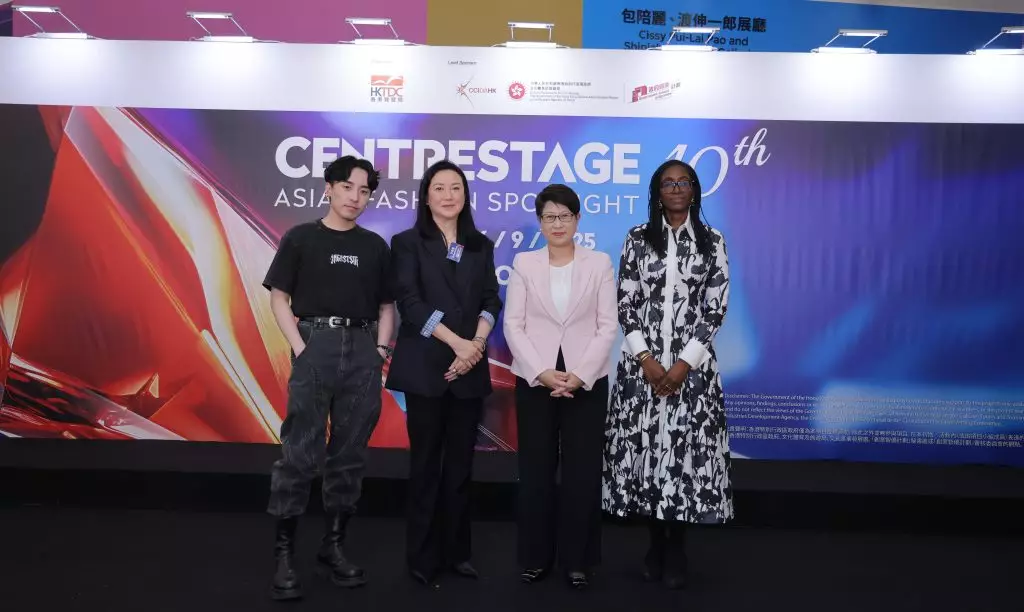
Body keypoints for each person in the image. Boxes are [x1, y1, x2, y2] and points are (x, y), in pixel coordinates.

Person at [262, 155, 395, 601]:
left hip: (363, 350)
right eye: (348, 187)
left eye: (364, 191)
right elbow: (279, 298)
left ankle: (332, 547)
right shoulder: (300, 238)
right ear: (329, 188)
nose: (356, 197)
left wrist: (380, 352)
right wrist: (301, 348)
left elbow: (386, 307)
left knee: (349, 454)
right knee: (299, 452)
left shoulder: (375, 246)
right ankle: (284, 554)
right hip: (314, 343)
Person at [602, 160, 733, 590]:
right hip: (642, 370)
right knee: (647, 457)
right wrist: (647, 360)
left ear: (694, 190)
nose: (676, 188)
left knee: (683, 459)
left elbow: (715, 308)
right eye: (667, 183)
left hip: (692, 373)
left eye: (683, 182)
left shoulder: (713, 241)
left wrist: (681, 365)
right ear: (657, 193)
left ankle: (676, 547)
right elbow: (626, 304)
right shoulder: (637, 239)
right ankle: (654, 543)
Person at [385, 160, 503, 588]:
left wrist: (477, 344)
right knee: (425, 467)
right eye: (439, 187)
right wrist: (459, 344)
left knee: (460, 468)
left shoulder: (480, 245)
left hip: (468, 369)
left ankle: (458, 553)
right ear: (426, 195)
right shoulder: (407, 243)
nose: (449, 195)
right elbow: (410, 303)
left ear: (466, 195)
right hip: (427, 368)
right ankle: (422, 556)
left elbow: (491, 299)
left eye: (456, 187)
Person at [503, 184, 618, 589]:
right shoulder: (525, 263)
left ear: (577, 219)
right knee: (535, 471)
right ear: (540, 222)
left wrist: (581, 374)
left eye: (565, 216)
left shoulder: (599, 263)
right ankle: (536, 558)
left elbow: (608, 326)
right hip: (536, 379)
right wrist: (541, 372)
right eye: (549, 217)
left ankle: (577, 560)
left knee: (582, 472)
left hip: (587, 381)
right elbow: (513, 325)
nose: (557, 224)